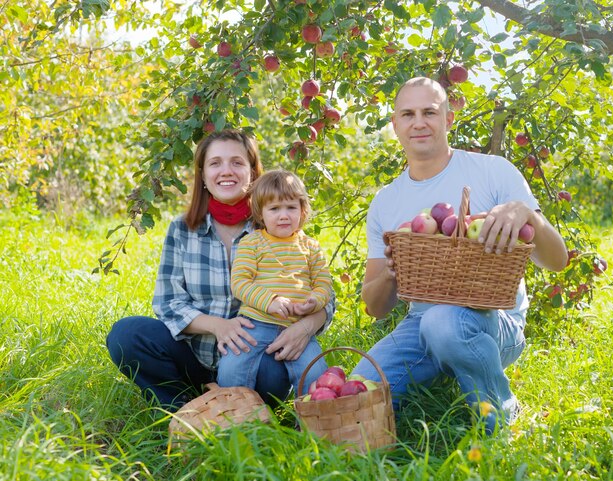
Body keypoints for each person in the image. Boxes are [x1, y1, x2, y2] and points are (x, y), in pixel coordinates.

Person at [351, 77, 568, 433]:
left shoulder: (492, 171)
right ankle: (445, 371)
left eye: (429, 112)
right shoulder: (385, 202)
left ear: (449, 119)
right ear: (395, 125)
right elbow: (375, 308)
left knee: (444, 323)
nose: (418, 122)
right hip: (419, 325)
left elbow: (557, 261)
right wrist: (394, 270)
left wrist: (527, 214)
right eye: (407, 114)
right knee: (360, 386)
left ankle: (499, 412)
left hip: (495, 321)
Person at [106, 129, 334, 412]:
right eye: (215, 163)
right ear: (202, 175)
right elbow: (168, 303)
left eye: (237, 162)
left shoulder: (277, 221)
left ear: (252, 171)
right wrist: (219, 326)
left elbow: (320, 291)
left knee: (272, 371)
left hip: (257, 352)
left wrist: (306, 325)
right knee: (127, 334)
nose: (227, 171)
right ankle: (187, 412)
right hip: (194, 356)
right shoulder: (182, 229)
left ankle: (251, 416)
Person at [218, 170, 333, 395]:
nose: (283, 215)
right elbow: (240, 282)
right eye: (274, 209)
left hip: (296, 325)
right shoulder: (252, 243)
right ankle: (239, 420)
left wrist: (314, 301)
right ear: (261, 213)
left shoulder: (310, 247)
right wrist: (270, 301)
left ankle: (313, 424)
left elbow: (323, 284)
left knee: (315, 375)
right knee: (230, 371)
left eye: (291, 207)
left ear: (302, 210)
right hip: (255, 323)